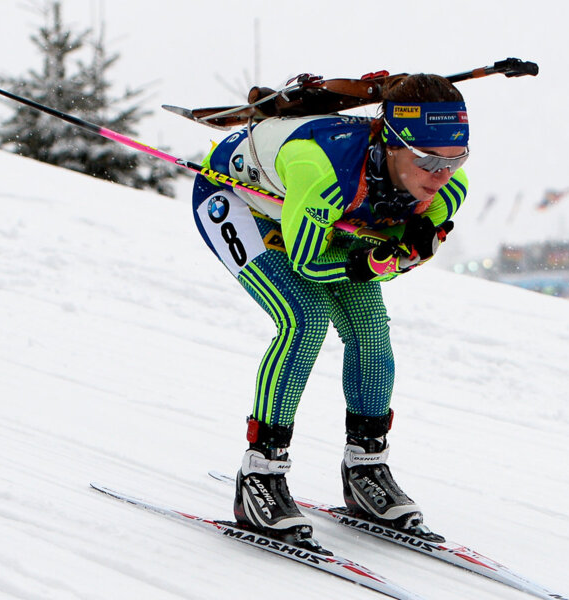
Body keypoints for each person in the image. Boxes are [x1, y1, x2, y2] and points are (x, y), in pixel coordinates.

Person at [190, 74, 468, 551]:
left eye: (455, 159)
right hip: (240, 201)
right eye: (426, 161)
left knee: (371, 331)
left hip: (328, 215)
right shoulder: (324, 170)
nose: (441, 175)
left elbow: (410, 240)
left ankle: (366, 468)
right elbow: (310, 263)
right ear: (392, 143)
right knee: (304, 320)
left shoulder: (446, 185)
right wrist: (384, 260)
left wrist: (419, 242)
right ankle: (260, 474)